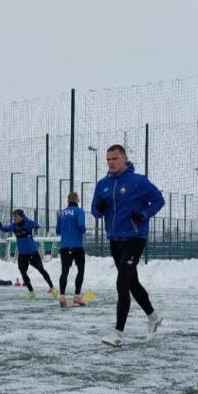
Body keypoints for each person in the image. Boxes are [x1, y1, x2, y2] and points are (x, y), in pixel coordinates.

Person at [90, 144, 164, 346]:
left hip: (135, 237)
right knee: (132, 282)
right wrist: (99, 208)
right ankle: (153, 316)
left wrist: (144, 214)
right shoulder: (102, 184)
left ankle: (117, 333)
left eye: (114, 159)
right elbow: (95, 212)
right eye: (108, 159)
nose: (111, 163)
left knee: (122, 282)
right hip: (115, 239)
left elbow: (158, 200)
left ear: (124, 158)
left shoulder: (138, 181)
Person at [0, 209, 55, 299]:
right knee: (23, 273)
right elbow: (6, 228)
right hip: (22, 255)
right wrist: (0, 226)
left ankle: (52, 287)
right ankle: (31, 292)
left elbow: (37, 226)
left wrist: (29, 221)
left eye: (16, 216)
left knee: (41, 270)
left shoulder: (27, 223)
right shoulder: (14, 226)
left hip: (32, 253)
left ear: (21, 216)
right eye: (13, 217)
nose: (14, 218)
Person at [56, 191, 87, 307]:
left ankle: (62, 296)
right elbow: (81, 226)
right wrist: (83, 230)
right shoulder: (79, 211)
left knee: (64, 271)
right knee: (81, 270)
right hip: (77, 246)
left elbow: (58, 230)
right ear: (77, 200)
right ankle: (77, 296)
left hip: (64, 246)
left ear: (68, 201)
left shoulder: (62, 213)